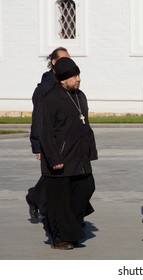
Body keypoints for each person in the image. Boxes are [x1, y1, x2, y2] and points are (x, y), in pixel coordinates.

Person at [39, 57, 98, 250]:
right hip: (60, 160)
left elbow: (85, 125)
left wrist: (90, 150)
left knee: (86, 187)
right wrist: (54, 158)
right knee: (59, 201)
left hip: (79, 157)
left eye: (78, 74)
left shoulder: (79, 96)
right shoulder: (50, 98)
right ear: (63, 79)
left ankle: (69, 228)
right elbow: (45, 132)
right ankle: (59, 238)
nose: (78, 79)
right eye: (73, 76)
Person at [26, 47, 70, 223]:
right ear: (53, 62)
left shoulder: (64, 81)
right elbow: (38, 118)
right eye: (63, 59)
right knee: (53, 174)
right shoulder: (45, 88)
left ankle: (36, 198)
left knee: (57, 173)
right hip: (48, 139)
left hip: (63, 139)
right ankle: (38, 200)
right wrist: (36, 145)